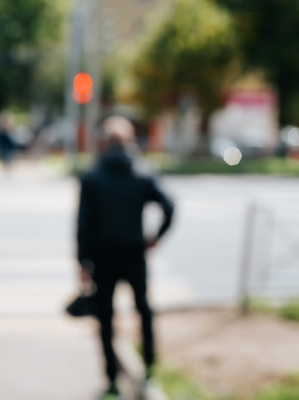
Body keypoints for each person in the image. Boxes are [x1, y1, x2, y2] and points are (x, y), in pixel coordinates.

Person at [76, 116, 174, 399]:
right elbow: (169, 207)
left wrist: (82, 263)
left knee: (106, 318)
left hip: (103, 257)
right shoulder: (142, 174)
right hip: (134, 254)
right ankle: (150, 367)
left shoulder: (92, 177)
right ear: (130, 142)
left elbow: (83, 225)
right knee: (143, 309)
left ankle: (111, 380)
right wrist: (155, 237)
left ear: (104, 143)